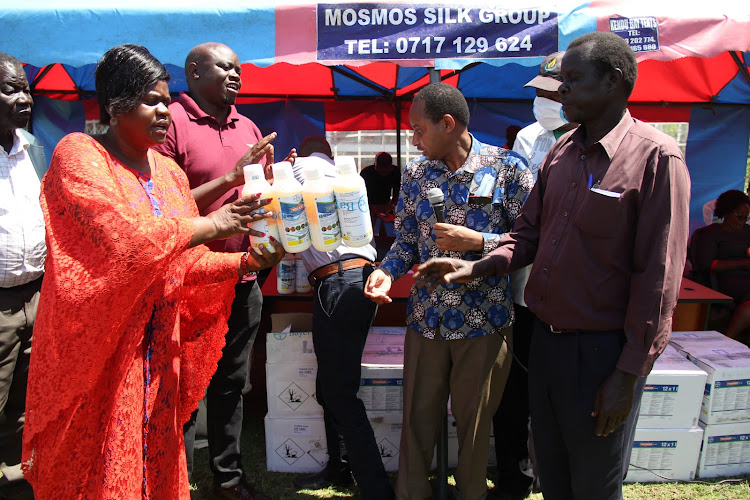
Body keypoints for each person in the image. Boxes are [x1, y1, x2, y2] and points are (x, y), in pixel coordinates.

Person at [415, 32, 691, 500]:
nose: (561, 91)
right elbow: (527, 238)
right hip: (544, 344)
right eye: (560, 82)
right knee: (553, 479)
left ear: (614, 81)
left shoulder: (656, 159)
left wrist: (627, 375)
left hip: (602, 355)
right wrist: (475, 268)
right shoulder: (561, 153)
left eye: (573, 80)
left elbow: (658, 281)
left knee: (593, 486)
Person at [21, 44, 284, 500]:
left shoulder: (167, 172)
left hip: (160, 347)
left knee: (154, 456)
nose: (165, 110)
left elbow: (181, 260)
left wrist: (244, 262)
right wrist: (212, 223)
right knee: (96, 458)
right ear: (116, 104)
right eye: (152, 100)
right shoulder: (80, 154)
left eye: (166, 99)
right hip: (102, 346)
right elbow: (126, 241)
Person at [364, 83, 533, 500]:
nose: (414, 139)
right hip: (426, 320)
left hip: (484, 322)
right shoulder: (417, 174)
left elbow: (534, 240)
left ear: (448, 124)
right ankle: (412, 493)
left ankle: (470, 493)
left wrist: (478, 242)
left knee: (475, 425)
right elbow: (405, 241)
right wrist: (386, 271)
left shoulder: (508, 168)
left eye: (419, 130)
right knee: (418, 421)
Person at [154, 42, 292, 500]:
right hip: (191, 280)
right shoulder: (170, 121)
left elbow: (260, 193)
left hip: (243, 275)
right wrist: (232, 177)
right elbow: (160, 209)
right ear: (193, 71)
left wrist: (282, 183)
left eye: (239, 68)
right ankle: (176, 480)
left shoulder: (247, 125)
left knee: (233, 381)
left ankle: (228, 479)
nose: (236, 75)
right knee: (182, 382)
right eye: (224, 67)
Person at [492, 51, 577, 500]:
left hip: (570, 301)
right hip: (523, 292)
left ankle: (555, 481)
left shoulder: (600, 141)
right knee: (512, 395)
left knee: (559, 398)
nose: (541, 102)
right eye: (537, 94)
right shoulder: (527, 139)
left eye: (551, 94)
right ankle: (513, 480)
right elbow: (519, 216)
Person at [290, 137, 394, 499]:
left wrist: (287, 168)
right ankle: (339, 467)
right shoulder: (337, 173)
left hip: (338, 282)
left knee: (339, 391)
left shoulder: (304, 168)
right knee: (330, 386)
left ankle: (376, 488)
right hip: (353, 279)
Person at [0, 51, 46, 500]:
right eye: (10, 89)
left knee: (23, 404)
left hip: (34, 294)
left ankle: (14, 484)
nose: (23, 97)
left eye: (26, 88)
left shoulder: (31, 149)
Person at [691, 189, 750, 343]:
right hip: (728, 280)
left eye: (746, 217)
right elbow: (706, 265)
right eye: (739, 217)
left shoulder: (748, 232)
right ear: (726, 212)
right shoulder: (710, 234)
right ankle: (727, 340)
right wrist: (743, 264)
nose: (742, 221)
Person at [360, 151, 400, 217]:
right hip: (368, 205)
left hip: (386, 203)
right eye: (381, 170)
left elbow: (397, 191)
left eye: (386, 170)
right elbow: (361, 194)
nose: (383, 173)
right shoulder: (366, 173)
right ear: (375, 166)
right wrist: (370, 207)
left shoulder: (395, 173)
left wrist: (392, 205)